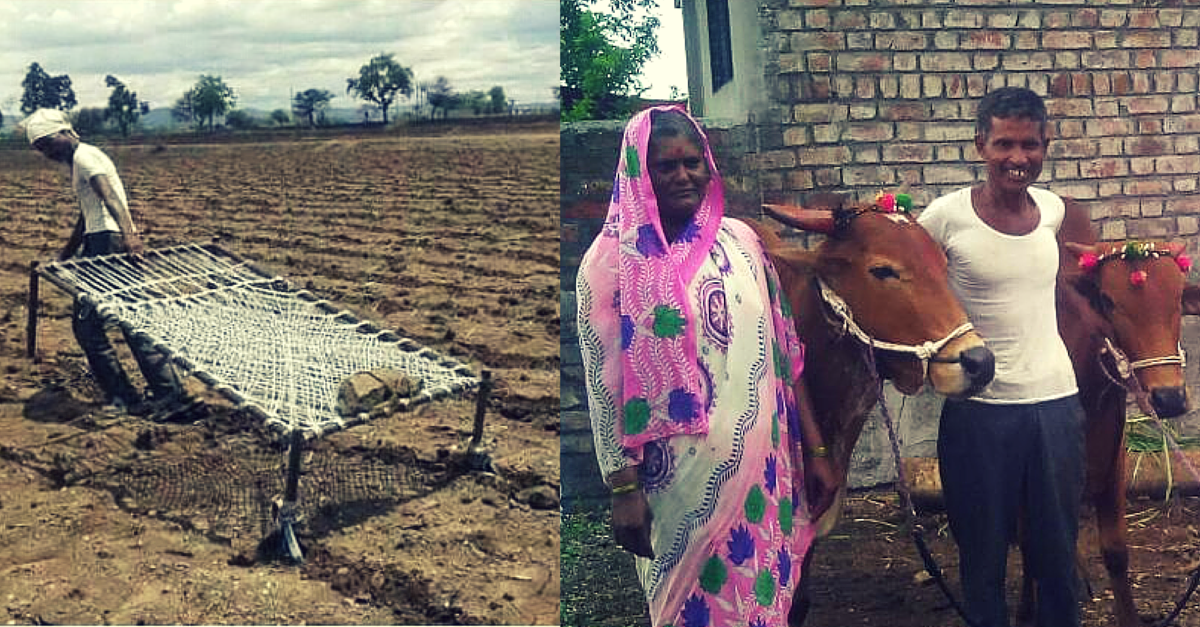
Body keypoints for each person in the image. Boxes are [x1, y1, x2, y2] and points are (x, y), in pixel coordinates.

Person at [576, 104, 838, 626]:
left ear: (708, 165)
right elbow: (603, 387)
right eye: (665, 166)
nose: (682, 175)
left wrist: (818, 449)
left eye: (692, 162)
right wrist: (623, 488)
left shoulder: (741, 243)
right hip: (675, 485)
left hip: (763, 470)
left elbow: (784, 355)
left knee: (763, 602)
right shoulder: (608, 263)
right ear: (638, 173)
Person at [917, 87, 1085, 627]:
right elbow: (913, 289)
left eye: (1030, 145)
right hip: (978, 412)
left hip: (1057, 404)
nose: (1018, 158)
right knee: (982, 552)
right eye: (1004, 144)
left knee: (1057, 551)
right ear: (980, 145)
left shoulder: (1054, 212)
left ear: (1046, 144)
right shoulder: (945, 217)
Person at [20, 108, 183, 414]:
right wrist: (65, 255)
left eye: (47, 142)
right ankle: (169, 392)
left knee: (88, 328)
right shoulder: (82, 159)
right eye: (40, 148)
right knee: (132, 317)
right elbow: (87, 215)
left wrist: (130, 234)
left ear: (65, 132)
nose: (46, 152)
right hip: (105, 239)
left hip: (107, 243)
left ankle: (123, 397)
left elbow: (108, 197)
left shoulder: (84, 157)